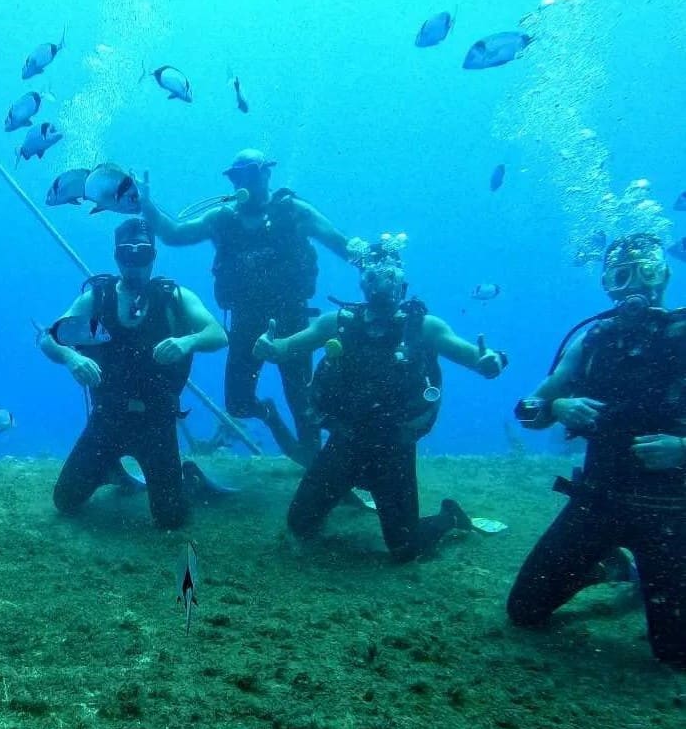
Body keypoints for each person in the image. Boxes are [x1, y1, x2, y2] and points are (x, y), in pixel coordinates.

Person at [254, 242, 507, 559]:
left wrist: (490, 361)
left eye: (390, 279)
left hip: (394, 446)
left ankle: (449, 518)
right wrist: (270, 348)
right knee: (300, 524)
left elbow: (473, 356)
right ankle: (343, 491)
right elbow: (286, 347)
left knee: (404, 548)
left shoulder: (423, 327)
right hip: (346, 439)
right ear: (363, 284)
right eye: (373, 279)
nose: (381, 288)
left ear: (403, 285)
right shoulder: (338, 323)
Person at [507, 233, 686, 668]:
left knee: (676, 655)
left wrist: (682, 448)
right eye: (620, 277)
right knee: (524, 610)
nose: (634, 287)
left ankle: (646, 580)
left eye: (646, 273)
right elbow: (527, 410)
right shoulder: (591, 341)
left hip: (671, 512)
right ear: (607, 286)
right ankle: (608, 567)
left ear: (664, 275)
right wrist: (556, 406)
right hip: (598, 502)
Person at [140, 148, 363, 465]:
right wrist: (146, 205)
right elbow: (175, 234)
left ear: (267, 174)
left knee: (302, 401)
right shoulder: (222, 219)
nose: (243, 182)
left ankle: (312, 459)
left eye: (251, 174)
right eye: (237, 176)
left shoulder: (294, 213)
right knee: (238, 403)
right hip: (245, 321)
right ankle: (268, 414)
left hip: (292, 320)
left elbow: (341, 244)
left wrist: (375, 264)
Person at [41, 218, 227, 529]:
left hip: (157, 422)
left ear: (153, 256)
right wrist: (72, 358)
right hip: (107, 419)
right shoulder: (98, 299)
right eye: (127, 254)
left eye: (143, 254)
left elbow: (218, 334)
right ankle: (109, 470)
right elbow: (49, 338)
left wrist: (188, 341)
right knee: (66, 501)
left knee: (171, 519)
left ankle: (187, 478)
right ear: (117, 257)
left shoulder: (175, 298)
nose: (134, 263)